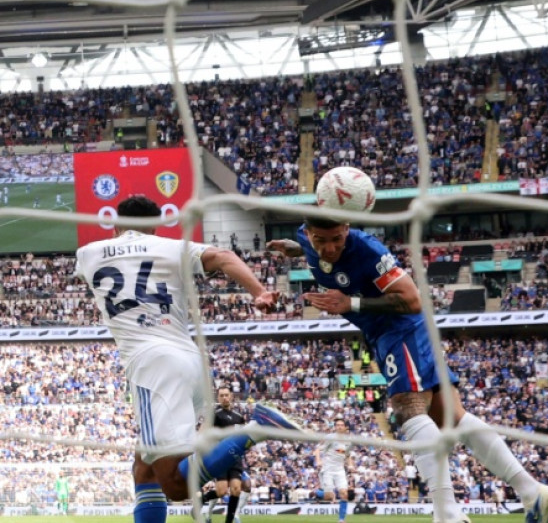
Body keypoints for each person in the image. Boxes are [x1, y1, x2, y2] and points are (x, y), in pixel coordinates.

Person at [267, 217, 548, 523]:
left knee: (408, 408)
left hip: (401, 328)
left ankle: (447, 514)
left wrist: (350, 303)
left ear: (347, 228)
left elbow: (412, 299)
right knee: (451, 417)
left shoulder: (368, 250)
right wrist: (295, 248)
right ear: (308, 234)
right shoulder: (305, 238)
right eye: (320, 241)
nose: (329, 249)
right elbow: (310, 247)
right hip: (384, 334)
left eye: (337, 240)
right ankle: (531, 491)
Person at [76, 195, 301, 523]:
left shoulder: (87, 253)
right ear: (155, 226)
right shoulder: (173, 248)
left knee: (175, 485)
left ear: (114, 224)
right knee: (144, 468)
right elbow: (224, 256)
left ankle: (255, 429)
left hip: (152, 367)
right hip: (191, 362)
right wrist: (260, 293)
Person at [201, 387, 248, 523]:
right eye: (221, 395)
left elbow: (242, 436)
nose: (224, 398)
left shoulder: (239, 417)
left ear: (231, 396)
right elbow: (203, 432)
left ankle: (229, 520)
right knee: (221, 491)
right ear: (218, 398)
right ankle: (202, 499)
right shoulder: (214, 415)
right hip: (220, 456)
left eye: (226, 395)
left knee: (236, 489)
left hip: (235, 457)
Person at [314, 418, 353, 523]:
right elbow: (318, 449)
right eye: (337, 425)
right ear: (335, 427)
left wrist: (350, 465)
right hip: (328, 469)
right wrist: (318, 461)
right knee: (329, 497)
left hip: (340, 470)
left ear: (345, 427)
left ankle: (341, 520)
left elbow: (348, 455)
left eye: (341, 425)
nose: (339, 427)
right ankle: (316, 492)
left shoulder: (348, 441)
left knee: (344, 494)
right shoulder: (330, 437)